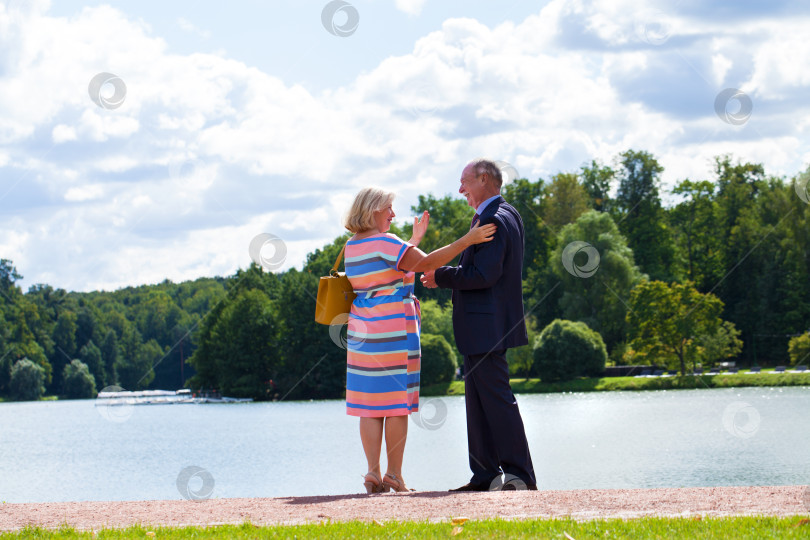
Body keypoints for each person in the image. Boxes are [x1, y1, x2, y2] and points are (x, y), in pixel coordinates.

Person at [343, 186, 497, 494]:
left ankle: (372, 473)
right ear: (373, 209)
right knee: (397, 405)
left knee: (370, 405)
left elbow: (391, 268)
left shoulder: (351, 246)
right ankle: (395, 475)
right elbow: (426, 264)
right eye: (388, 208)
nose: (393, 214)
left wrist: (412, 242)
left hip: (363, 327)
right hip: (394, 327)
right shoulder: (386, 242)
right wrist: (467, 240)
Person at [421, 158, 537, 491]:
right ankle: (486, 475)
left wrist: (440, 276)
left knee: (498, 403)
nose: (460, 190)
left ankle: (520, 477)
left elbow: (485, 275)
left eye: (464, 182)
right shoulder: (508, 213)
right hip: (485, 327)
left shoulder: (493, 219)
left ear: (483, 179)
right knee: (480, 404)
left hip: (486, 328)